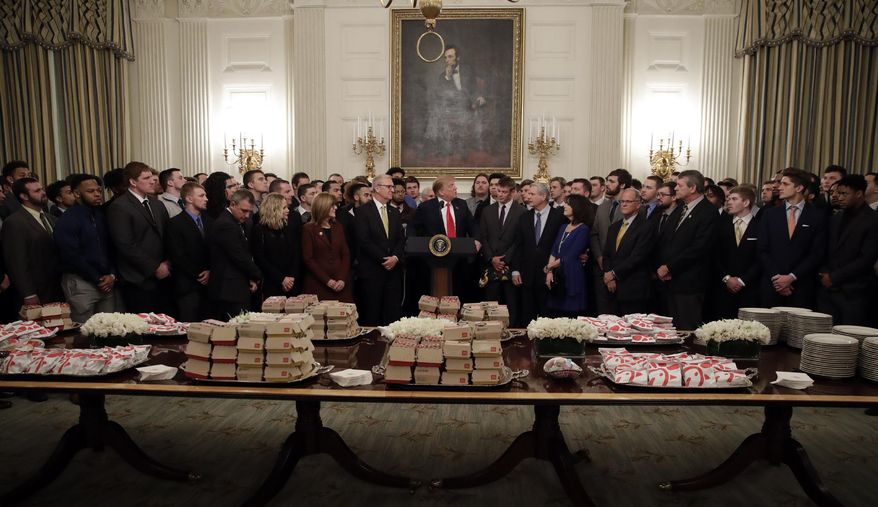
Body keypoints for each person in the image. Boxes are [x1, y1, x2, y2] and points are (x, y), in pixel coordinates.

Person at [656, 170, 718, 330]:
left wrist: (670, 267)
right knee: (669, 330)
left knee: (686, 328)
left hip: (690, 283)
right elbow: (666, 240)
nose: (675, 188)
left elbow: (699, 248)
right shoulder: (680, 209)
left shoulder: (708, 212)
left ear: (692, 188)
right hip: (669, 281)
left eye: (679, 185)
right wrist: (663, 267)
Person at [53, 174, 120, 322]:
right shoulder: (67, 220)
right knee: (82, 330)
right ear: (77, 194)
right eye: (91, 191)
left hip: (107, 281)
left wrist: (112, 275)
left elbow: (111, 248)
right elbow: (70, 255)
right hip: (81, 282)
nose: (97, 194)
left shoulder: (100, 215)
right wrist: (97, 278)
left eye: (99, 190)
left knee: (107, 328)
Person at [108, 162, 172, 313]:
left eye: (152, 177)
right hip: (138, 278)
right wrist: (155, 267)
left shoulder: (157, 204)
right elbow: (125, 244)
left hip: (164, 275)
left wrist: (168, 263)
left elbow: (168, 236)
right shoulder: (120, 206)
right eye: (146, 178)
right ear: (133, 182)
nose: (152, 181)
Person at [758, 167, 827, 308]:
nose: (779, 187)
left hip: (801, 286)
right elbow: (762, 249)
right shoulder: (770, 214)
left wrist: (792, 277)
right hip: (772, 284)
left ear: (799, 188)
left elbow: (817, 253)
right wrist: (777, 278)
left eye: (785, 184)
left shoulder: (817, 216)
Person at [816, 175, 878, 324]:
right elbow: (824, 249)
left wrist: (834, 277)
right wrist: (824, 273)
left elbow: (867, 258)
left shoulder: (873, 220)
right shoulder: (836, 218)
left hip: (855, 291)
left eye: (845, 194)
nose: (839, 197)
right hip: (827, 290)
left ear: (859, 194)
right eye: (838, 193)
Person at [353, 175, 406, 325]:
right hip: (372, 271)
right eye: (389, 187)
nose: (392, 190)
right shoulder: (363, 211)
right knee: (372, 314)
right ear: (377, 188)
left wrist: (395, 258)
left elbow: (401, 239)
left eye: (392, 187)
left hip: (393, 272)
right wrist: (384, 259)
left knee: (392, 315)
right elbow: (364, 241)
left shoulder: (394, 212)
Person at [511, 182, 566, 326]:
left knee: (548, 318)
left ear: (543, 196)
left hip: (549, 275)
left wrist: (553, 269)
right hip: (527, 276)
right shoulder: (524, 217)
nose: (527, 197)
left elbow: (561, 247)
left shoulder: (559, 217)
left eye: (532, 194)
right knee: (527, 318)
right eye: (527, 193)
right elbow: (518, 246)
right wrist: (515, 270)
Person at [2, 177, 62, 306]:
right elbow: (17, 262)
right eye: (37, 191)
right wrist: (28, 293)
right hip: (36, 289)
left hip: (57, 286)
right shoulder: (15, 222)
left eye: (42, 189)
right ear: (24, 196)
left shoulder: (52, 219)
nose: (43, 193)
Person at [207, 190, 262, 319]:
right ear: (232, 204)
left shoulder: (236, 222)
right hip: (230, 289)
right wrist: (257, 274)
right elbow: (239, 256)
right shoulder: (226, 224)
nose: (247, 215)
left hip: (236, 285)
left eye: (249, 212)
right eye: (244, 210)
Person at [479, 176, 525, 325]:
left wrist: (505, 259)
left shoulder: (521, 211)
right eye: (498, 191)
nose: (500, 194)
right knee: (492, 304)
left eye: (504, 192)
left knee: (512, 304)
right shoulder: (487, 211)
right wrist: (491, 258)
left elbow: (519, 240)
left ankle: (513, 332)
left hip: (511, 265)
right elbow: (483, 237)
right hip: (491, 265)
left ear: (512, 192)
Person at [601, 189, 655, 315]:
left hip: (633, 288)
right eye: (622, 201)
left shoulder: (646, 226)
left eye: (628, 201)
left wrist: (613, 273)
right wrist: (609, 276)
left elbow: (638, 257)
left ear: (638, 204)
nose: (624, 204)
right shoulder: (614, 227)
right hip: (612, 287)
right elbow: (607, 254)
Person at [712, 186, 761, 319]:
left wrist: (742, 280)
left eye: (734, 199)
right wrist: (727, 278)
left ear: (746, 202)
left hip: (750, 288)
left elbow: (761, 257)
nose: (729, 202)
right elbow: (714, 255)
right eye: (728, 199)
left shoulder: (760, 226)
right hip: (723, 287)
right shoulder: (721, 225)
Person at [166, 182, 211, 322]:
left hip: (210, 284)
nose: (206, 199)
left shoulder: (209, 220)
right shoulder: (175, 223)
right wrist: (200, 274)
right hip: (187, 286)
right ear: (189, 198)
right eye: (201, 196)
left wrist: (210, 270)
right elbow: (178, 256)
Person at [591, 168, 631, 314]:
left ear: (622, 185)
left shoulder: (633, 208)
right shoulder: (603, 207)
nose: (607, 184)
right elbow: (594, 234)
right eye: (607, 180)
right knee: (603, 313)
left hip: (623, 270)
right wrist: (599, 256)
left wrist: (613, 270)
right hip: (601, 267)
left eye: (611, 181)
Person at [248, 193, 302, 300]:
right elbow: (260, 259)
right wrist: (281, 279)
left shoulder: (288, 227)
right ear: (273, 209)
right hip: (271, 282)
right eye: (284, 208)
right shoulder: (259, 230)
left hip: (291, 282)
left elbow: (296, 253)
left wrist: (291, 278)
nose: (288, 210)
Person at [544, 194, 591, 317]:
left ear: (577, 207)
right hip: (557, 273)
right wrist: (550, 272)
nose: (564, 205)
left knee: (570, 313)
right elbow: (554, 250)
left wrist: (549, 267)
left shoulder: (583, 229)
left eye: (568, 203)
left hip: (572, 274)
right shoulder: (563, 227)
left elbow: (571, 255)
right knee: (555, 313)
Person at [302, 193, 353, 302]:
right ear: (323, 207)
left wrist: (342, 278)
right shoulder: (308, 229)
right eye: (332, 206)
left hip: (340, 283)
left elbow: (345, 254)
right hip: (319, 283)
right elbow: (308, 259)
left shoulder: (338, 227)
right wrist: (328, 281)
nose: (335, 208)